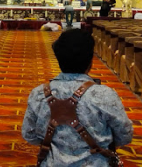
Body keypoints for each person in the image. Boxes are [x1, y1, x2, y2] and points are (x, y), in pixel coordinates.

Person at [22, 29, 133, 166]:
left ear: (58, 58)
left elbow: (29, 135)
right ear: (90, 60)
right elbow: (125, 135)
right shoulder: (104, 95)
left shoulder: (38, 94)